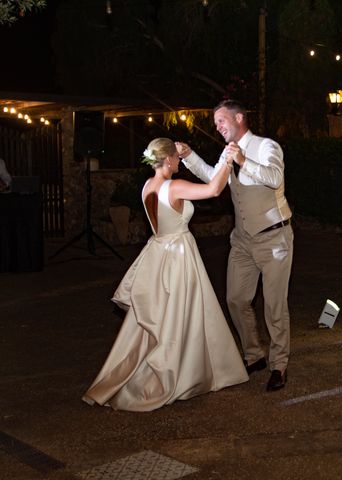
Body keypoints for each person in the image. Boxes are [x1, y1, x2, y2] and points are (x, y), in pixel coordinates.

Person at [82, 138, 248, 411]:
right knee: (184, 312)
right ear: (169, 160)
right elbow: (215, 189)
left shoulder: (148, 185)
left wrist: (184, 152)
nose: (180, 163)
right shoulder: (175, 187)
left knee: (162, 315)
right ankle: (178, 372)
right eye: (177, 159)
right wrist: (227, 159)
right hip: (179, 255)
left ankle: (158, 365)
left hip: (157, 251)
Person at [178, 99, 293, 392]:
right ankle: (254, 355)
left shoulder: (267, 147)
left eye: (221, 121)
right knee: (236, 299)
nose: (217, 127)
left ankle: (279, 364)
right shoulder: (227, 151)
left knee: (274, 306)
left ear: (239, 118)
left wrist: (243, 160)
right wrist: (190, 156)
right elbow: (213, 179)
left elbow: (274, 177)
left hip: (273, 239)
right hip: (242, 241)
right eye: (216, 123)